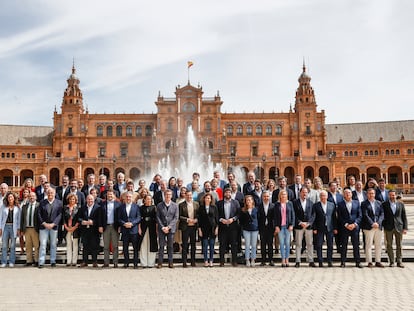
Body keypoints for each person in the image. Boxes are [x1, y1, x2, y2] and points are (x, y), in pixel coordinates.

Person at [337, 188, 363, 268]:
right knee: (344, 245)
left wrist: (355, 224)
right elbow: (339, 216)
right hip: (344, 228)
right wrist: (346, 224)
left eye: (349, 193)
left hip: (354, 227)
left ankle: (358, 262)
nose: (347, 194)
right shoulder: (340, 204)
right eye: (346, 193)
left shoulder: (357, 203)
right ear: (343, 195)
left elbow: (360, 215)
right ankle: (343, 262)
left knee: (356, 245)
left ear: (351, 194)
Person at [382, 189, 408, 268]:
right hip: (388, 227)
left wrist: (405, 228)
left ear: (396, 195)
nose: (392, 196)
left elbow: (404, 216)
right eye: (390, 195)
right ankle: (392, 261)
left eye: (393, 195)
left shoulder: (401, 204)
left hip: (399, 227)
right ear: (388, 196)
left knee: (399, 245)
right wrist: (383, 226)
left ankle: (399, 261)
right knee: (389, 245)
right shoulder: (384, 204)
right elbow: (382, 216)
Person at [38, 187, 62, 268]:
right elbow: (39, 214)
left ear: (54, 193)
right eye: (49, 193)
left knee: (53, 244)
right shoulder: (42, 202)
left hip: (53, 227)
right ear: (46, 193)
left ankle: (53, 261)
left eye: (52, 193)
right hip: (43, 227)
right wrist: (44, 223)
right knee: (43, 244)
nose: (50, 194)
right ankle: (41, 262)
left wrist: (54, 223)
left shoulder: (59, 203)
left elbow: (59, 215)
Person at [313, 190, 337, 267]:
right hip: (319, 227)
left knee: (330, 245)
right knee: (319, 245)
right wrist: (314, 228)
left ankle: (329, 260)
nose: (323, 197)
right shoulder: (316, 205)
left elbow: (334, 217)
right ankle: (320, 261)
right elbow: (314, 218)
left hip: (330, 227)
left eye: (324, 195)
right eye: (322, 196)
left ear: (327, 196)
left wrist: (335, 228)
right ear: (320, 197)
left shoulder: (332, 205)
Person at [361, 188, 384, 268]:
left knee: (378, 245)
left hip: (378, 226)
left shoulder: (379, 203)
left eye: (372, 193)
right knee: (369, 245)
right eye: (369, 193)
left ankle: (378, 261)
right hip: (368, 227)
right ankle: (369, 262)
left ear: (375, 194)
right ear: (367, 194)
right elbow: (365, 215)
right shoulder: (363, 204)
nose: (371, 195)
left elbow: (382, 214)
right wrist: (372, 223)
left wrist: (378, 223)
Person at [217, 187, 240, 267]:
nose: (228, 194)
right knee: (222, 244)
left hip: (233, 227)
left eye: (229, 192)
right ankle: (222, 261)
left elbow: (238, 214)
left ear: (231, 193)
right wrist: (221, 219)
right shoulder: (219, 203)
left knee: (234, 244)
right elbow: (217, 214)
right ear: (224, 194)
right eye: (226, 192)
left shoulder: (236, 203)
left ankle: (234, 261)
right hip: (223, 227)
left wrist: (233, 219)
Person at [292, 187, 315, 267]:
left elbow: (313, 215)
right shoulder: (295, 202)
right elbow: (293, 214)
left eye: (306, 192)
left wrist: (309, 223)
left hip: (308, 227)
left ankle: (311, 260)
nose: (305, 194)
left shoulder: (311, 203)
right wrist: (300, 222)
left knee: (309, 243)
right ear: (300, 193)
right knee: (298, 244)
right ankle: (298, 260)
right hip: (299, 226)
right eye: (303, 192)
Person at [156, 189, 179, 268]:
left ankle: (170, 262)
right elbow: (158, 217)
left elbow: (176, 218)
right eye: (166, 194)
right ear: (164, 195)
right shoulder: (159, 205)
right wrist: (162, 227)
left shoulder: (175, 205)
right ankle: (160, 263)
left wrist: (169, 227)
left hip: (171, 229)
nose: (168, 196)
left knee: (170, 246)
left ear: (171, 196)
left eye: (169, 195)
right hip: (161, 229)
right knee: (161, 246)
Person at [118, 191, 141, 268]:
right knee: (125, 247)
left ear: (132, 198)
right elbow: (119, 218)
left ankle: (135, 263)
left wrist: (132, 223)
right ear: (124, 198)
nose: (128, 198)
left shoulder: (136, 207)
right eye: (127, 197)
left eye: (130, 197)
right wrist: (124, 223)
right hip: (124, 230)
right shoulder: (121, 207)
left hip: (133, 230)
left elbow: (138, 218)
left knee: (135, 247)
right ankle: (126, 262)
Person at [99, 189, 121, 268]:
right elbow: (100, 216)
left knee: (115, 246)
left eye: (111, 195)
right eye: (108, 195)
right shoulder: (102, 204)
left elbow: (120, 217)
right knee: (106, 246)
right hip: (106, 227)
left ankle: (115, 262)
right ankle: (106, 262)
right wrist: (100, 226)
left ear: (114, 195)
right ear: (106, 195)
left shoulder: (118, 204)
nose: (110, 196)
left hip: (115, 227)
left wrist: (120, 227)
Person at [274, 189, 294, 267]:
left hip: (288, 226)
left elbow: (293, 215)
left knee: (287, 243)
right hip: (280, 227)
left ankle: (287, 259)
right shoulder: (277, 204)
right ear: (280, 196)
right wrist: (276, 226)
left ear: (287, 196)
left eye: (285, 194)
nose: (283, 196)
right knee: (281, 243)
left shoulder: (290, 204)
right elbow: (275, 217)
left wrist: (292, 225)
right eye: (282, 194)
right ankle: (283, 259)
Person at [0, 192, 21, 267]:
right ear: (7, 199)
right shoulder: (3, 206)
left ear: (14, 198)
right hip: (5, 227)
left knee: (12, 246)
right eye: (9, 197)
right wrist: (0, 228)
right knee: (5, 245)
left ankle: (12, 261)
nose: (10, 199)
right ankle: (4, 262)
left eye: (11, 197)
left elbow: (19, 219)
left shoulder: (17, 207)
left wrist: (18, 228)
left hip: (13, 227)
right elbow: (1, 217)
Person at [79, 194, 101, 268]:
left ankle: (94, 261)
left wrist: (93, 222)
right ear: (86, 200)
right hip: (85, 230)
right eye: (88, 199)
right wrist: (82, 221)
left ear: (94, 199)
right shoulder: (82, 208)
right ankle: (85, 261)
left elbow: (100, 219)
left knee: (94, 246)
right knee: (85, 246)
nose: (90, 201)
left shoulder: (98, 208)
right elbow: (79, 218)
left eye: (91, 199)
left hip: (94, 230)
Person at [179, 190, 199, 267]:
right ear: (185, 196)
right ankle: (184, 261)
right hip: (185, 227)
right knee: (185, 245)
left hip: (193, 227)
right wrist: (187, 219)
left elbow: (199, 214)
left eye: (190, 195)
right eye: (187, 195)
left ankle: (193, 261)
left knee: (193, 245)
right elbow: (179, 216)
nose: (189, 197)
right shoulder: (181, 205)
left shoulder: (196, 204)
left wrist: (196, 219)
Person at [198, 193, 218, 267]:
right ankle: (206, 260)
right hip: (204, 229)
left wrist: (217, 228)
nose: (207, 199)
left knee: (212, 245)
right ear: (204, 199)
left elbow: (216, 218)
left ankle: (211, 260)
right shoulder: (201, 208)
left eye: (209, 198)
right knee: (205, 245)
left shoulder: (214, 207)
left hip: (212, 229)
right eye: (206, 198)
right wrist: (199, 229)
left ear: (211, 199)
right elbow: (199, 219)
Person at [20, 191, 39, 266]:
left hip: (35, 228)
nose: (31, 198)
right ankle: (29, 260)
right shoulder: (25, 206)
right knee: (28, 245)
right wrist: (22, 229)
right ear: (28, 198)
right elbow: (22, 219)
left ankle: (37, 260)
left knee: (36, 245)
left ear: (36, 197)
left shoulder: (39, 205)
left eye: (33, 196)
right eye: (30, 196)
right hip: (27, 229)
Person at [239, 195, 259, 267]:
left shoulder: (256, 209)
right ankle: (247, 259)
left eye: (250, 200)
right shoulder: (243, 210)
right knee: (247, 245)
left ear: (252, 201)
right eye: (247, 200)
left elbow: (258, 219)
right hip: (246, 229)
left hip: (254, 229)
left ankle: (253, 259)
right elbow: (241, 221)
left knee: (254, 245)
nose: (249, 201)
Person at [139, 194, 158, 268]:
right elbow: (139, 218)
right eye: (147, 199)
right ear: (144, 200)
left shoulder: (154, 207)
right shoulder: (141, 208)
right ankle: (143, 263)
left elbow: (156, 219)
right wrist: (139, 228)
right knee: (143, 245)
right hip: (143, 227)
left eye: (150, 199)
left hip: (152, 228)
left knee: (152, 245)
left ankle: (151, 263)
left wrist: (156, 229)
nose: (148, 200)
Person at [257, 190, 275, 266]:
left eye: (267, 196)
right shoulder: (259, 206)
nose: (266, 198)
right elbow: (258, 217)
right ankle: (263, 260)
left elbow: (274, 217)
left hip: (270, 227)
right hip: (262, 227)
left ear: (269, 197)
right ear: (262, 197)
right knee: (263, 244)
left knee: (270, 244)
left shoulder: (273, 206)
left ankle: (271, 260)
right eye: (264, 196)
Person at [63, 193, 80, 266]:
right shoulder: (65, 207)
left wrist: (75, 227)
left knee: (75, 245)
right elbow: (63, 218)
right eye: (70, 199)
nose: (72, 200)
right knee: (69, 245)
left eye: (73, 199)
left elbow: (79, 219)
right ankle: (68, 261)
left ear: (75, 200)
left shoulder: (78, 208)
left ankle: (74, 261)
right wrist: (66, 227)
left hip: (75, 229)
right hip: (67, 228)